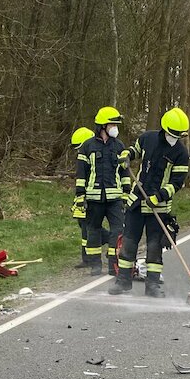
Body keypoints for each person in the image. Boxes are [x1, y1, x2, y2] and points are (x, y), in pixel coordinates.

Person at [109, 107, 190, 298]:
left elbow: (177, 183)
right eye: (172, 134)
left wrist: (160, 196)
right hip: (137, 201)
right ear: (165, 129)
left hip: (159, 207)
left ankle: (152, 285)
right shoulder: (148, 138)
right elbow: (134, 150)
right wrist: (126, 155)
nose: (174, 138)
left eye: (178, 136)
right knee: (128, 243)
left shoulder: (181, 153)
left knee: (154, 247)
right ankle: (123, 282)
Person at [74, 107, 132, 276]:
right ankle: (95, 265)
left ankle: (113, 264)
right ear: (102, 126)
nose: (115, 127)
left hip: (114, 198)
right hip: (94, 198)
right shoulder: (87, 147)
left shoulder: (120, 146)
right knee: (93, 230)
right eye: (112, 124)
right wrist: (80, 196)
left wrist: (126, 194)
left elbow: (125, 173)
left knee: (118, 229)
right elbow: (81, 174)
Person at [70, 126, 96, 266]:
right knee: (83, 225)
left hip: (92, 197)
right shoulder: (84, 157)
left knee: (89, 227)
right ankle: (87, 257)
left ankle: (89, 258)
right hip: (83, 198)